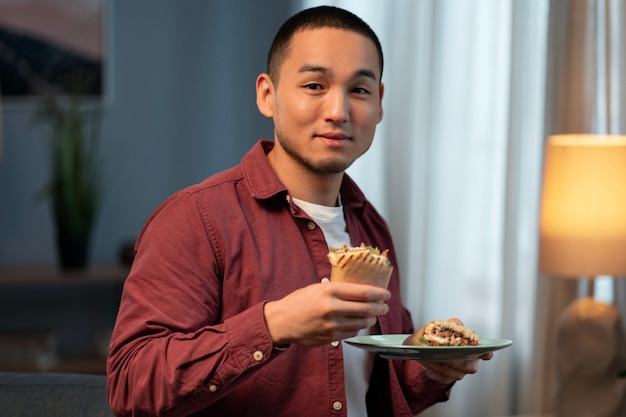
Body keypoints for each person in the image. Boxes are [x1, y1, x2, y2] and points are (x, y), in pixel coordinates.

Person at [106, 6, 492, 417]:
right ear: (267, 95)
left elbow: (376, 392)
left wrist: (431, 368)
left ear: (379, 103)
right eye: (314, 85)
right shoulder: (195, 219)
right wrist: (274, 326)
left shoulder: (371, 227)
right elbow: (132, 386)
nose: (338, 111)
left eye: (359, 90)